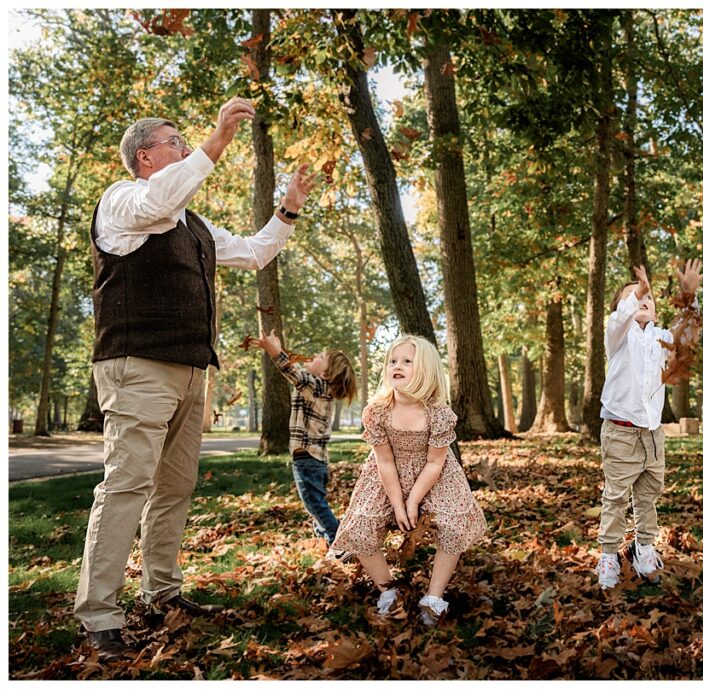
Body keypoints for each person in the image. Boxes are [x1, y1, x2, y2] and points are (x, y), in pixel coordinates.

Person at [76, 97, 317, 661]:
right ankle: (100, 616)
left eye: (188, 140)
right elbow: (161, 196)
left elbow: (255, 254)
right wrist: (215, 142)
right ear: (144, 156)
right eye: (174, 141)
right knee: (127, 484)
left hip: (191, 373)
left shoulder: (197, 226)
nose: (185, 147)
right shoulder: (123, 199)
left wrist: (288, 210)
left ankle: (162, 594)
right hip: (137, 366)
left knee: (174, 488)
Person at [328, 335, 486, 625]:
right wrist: (398, 504)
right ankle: (387, 593)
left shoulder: (437, 414)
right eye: (392, 361)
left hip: (434, 475)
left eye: (406, 361)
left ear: (425, 370)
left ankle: (434, 599)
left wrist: (414, 499)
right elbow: (385, 460)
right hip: (386, 475)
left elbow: (435, 462)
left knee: (453, 526)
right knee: (362, 527)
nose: (396, 366)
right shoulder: (378, 411)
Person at [595, 259, 703, 589]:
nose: (643, 299)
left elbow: (687, 334)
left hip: (652, 434)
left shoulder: (661, 337)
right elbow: (618, 319)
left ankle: (642, 548)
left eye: (648, 297)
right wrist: (635, 292)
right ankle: (608, 554)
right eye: (634, 297)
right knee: (615, 497)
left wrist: (690, 296)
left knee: (648, 496)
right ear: (623, 308)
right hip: (620, 433)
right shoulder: (618, 337)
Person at [249, 328, 357, 553]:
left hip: (307, 459)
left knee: (315, 504)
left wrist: (275, 351)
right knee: (315, 504)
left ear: (326, 374)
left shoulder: (316, 386)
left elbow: (293, 372)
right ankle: (324, 539)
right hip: (317, 461)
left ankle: (340, 541)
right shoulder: (321, 390)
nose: (314, 356)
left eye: (320, 357)